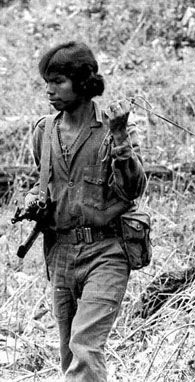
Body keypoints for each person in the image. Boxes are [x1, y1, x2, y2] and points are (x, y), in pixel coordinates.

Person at [23, 41, 147, 381]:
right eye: (47, 81)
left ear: (82, 83)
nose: (49, 90)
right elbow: (44, 182)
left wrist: (120, 138)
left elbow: (134, 189)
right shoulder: (44, 131)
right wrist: (35, 199)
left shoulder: (115, 129)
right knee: (69, 353)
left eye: (59, 81)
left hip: (106, 251)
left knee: (85, 346)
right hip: (60, 253)